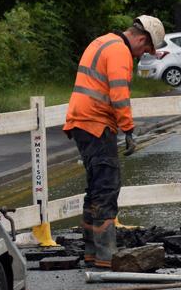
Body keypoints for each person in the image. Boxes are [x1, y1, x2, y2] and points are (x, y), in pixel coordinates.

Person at [64, 15, 165, 269]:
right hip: (96, 123)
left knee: (96, 187)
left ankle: (91, 251)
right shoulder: (120, 52)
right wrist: (129, 129)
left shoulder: (103, 41)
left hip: (81, 122)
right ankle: (106, 254)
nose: (142, 55)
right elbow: (119, 94)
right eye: (145, 50)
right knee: (107, 187)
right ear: (141, 39)